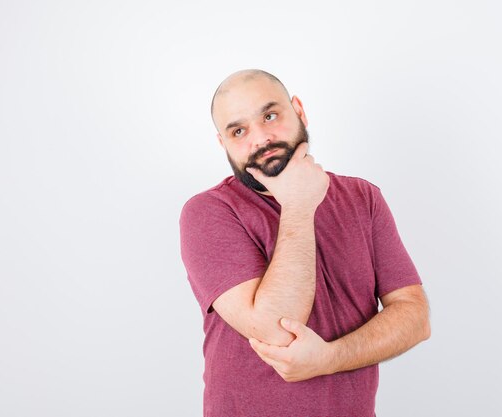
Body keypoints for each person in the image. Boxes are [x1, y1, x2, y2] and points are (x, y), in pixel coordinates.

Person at [179, 69, 431, 417]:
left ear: (298, 109)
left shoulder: (363, 197)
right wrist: (298, 205)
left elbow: (414, 316)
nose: (261, 138)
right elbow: (275, 329)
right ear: (224, 144)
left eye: (270, 115)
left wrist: (331, 358)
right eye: (239, 131)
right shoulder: (208, 212)